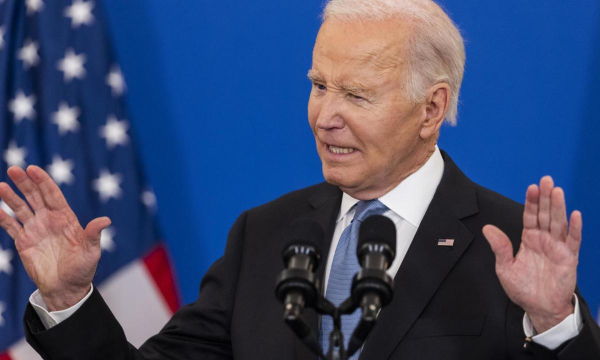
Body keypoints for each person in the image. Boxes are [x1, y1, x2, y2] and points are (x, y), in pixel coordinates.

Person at [1, 0, 599, 359]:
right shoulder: (262, 236)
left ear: (431, 109)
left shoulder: (508, 247)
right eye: (319, 85)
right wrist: (67, 299)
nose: (324, 115)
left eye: (357, 94)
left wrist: (554, 325)